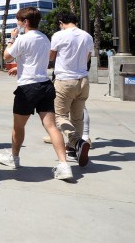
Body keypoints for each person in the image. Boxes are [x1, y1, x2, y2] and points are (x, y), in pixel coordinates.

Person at [0, 7, 73, 180]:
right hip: (45, 85)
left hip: (28, 88)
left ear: (25, 22)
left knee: (18, 126)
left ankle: (14, 158)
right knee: (52, 126)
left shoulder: (23, 38)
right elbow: (42, 61)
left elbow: (6, 57)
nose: (17, 23)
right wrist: (20, 67)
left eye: (19, 20)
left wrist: (12, 38)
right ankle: (64, 164)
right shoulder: (45, 38)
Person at [50, 11, 93, 167]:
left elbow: (51, 56)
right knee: (77, 117)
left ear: (61, 22)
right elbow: (88, 57)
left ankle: (76, 141)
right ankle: (74, 148)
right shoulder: (87, 36)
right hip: (83, 81)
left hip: (65, 80)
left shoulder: (59, 36)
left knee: (59, 116)